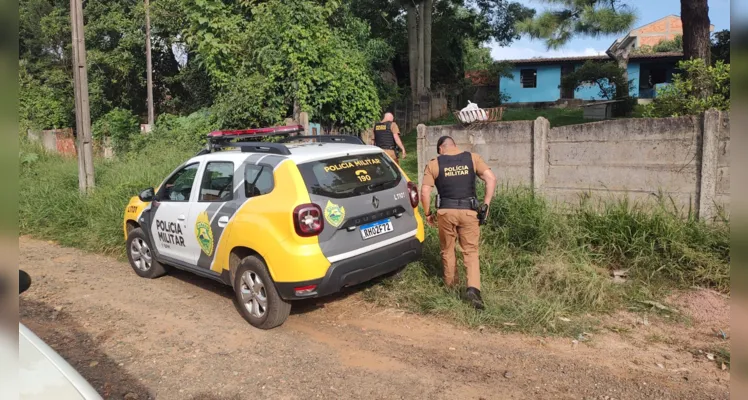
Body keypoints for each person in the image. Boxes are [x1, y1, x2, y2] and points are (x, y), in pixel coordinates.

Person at [419, 136, 497, 310]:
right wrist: (486, 204)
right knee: (470, 251)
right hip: (470, 211)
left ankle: (451, 288)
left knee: (447, 250)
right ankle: (473, 290)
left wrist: (427, 214)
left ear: (440, 149)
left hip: (445, 213)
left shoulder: (434, 163)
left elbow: (425, 192)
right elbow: (491, 178)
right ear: (454, 145)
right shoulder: (472, 158)